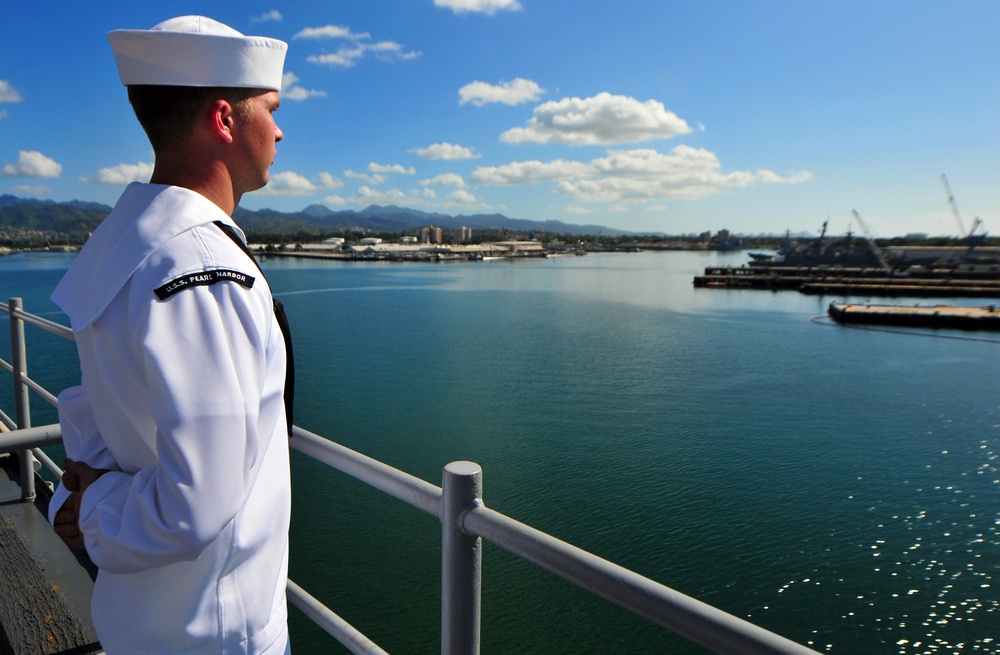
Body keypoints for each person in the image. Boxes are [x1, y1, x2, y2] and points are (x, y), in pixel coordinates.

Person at [48, 15, 293, 654]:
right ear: (225, 120)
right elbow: (197, 504)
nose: (280, 130)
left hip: (142, 622)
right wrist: (93, 513)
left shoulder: (126, 243)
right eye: (271, 108)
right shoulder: (202, 270)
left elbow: (93, 406)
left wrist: (79, 496)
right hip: (216, 633)